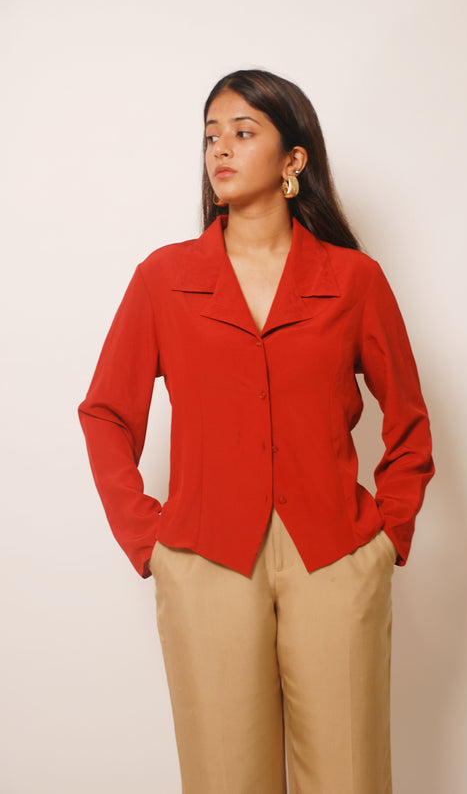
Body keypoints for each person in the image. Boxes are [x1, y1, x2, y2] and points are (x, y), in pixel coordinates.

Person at [79, 69, 434, 794]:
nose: (220, 150)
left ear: (293, 161)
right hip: (205, 555)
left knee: (349, 777)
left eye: (243, 133)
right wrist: (149, 541)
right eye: (212, 135)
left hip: (333, 553)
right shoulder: (164, 278)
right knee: (224, 779)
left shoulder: (353, 279)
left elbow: (409, 420)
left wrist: (385, 535)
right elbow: (106, 413)